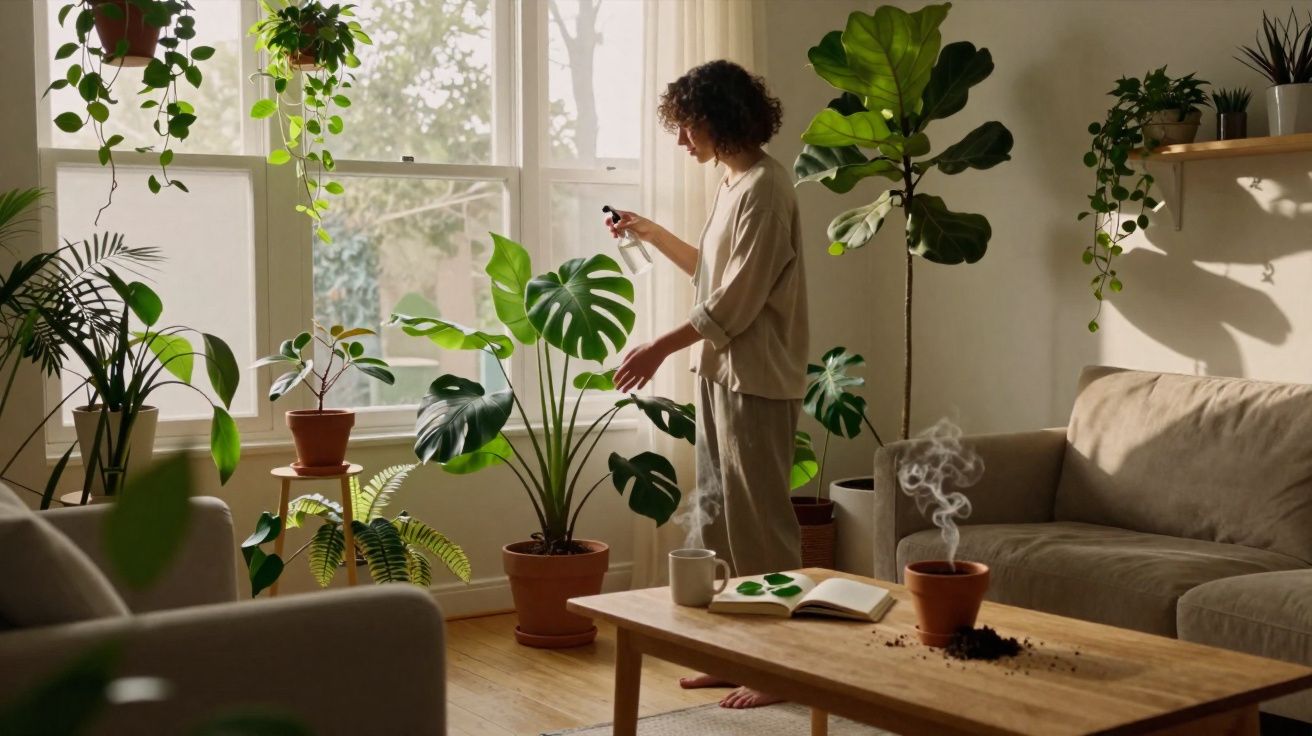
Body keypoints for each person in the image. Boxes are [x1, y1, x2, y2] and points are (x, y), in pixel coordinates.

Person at [607, 59, 808, 710]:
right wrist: (647, 230)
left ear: (715, 119)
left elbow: (735, 304)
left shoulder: (767, 190)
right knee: (721, 524)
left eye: (684, 125)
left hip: (758, 378)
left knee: (763, 528)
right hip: (721, 373)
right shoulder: (732, 184)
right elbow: (711, 277)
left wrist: (658, 348)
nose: (678, 139)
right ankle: (735, 655)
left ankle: (781, 667)